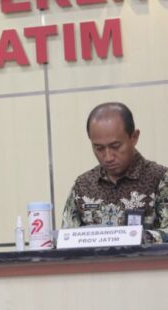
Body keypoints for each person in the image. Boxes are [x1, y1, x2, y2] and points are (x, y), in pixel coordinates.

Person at [62, 102, 168, 243]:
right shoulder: (83, 186)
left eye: (116, 146)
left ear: (134, 137)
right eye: (99, 148)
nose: (108, 157)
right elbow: (67, 239)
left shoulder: (160, 179)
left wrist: (139, 237)